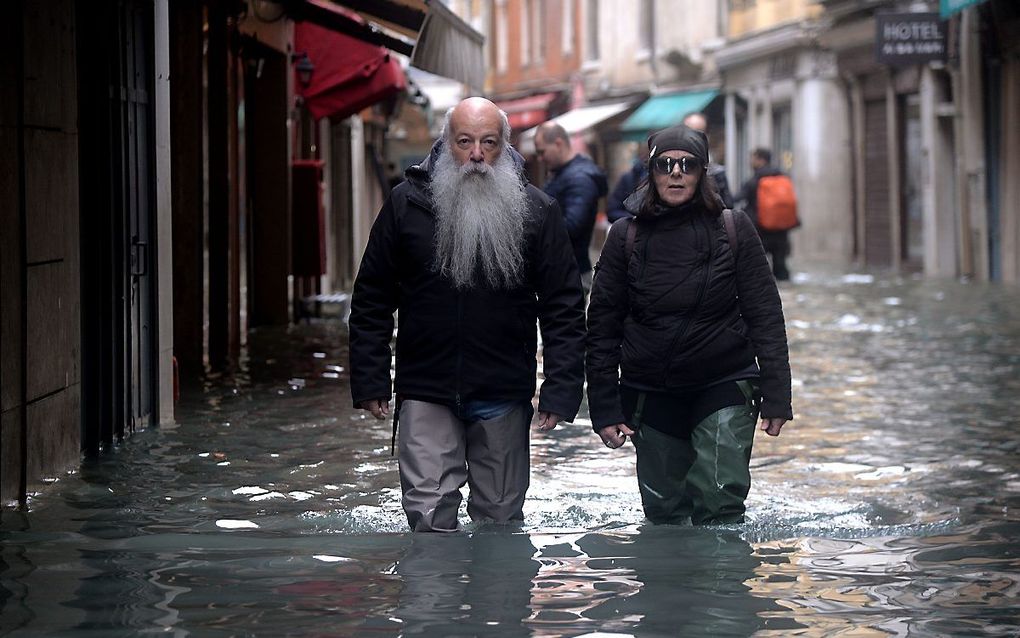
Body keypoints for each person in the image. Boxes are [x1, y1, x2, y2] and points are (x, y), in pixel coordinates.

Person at [348, 97, 586, 533]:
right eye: (464, 142)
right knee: (428, 517)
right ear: (446, 143)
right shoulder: (405, 206)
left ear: (505, 146)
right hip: (425, 387)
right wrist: (370, 378)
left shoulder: (536, 211)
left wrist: (561, 388)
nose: (476, 155)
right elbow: (372, 297)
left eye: (488, 143)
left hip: (502, 390)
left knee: (499, 521)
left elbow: (563, 308)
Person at [586, 124, 792, 526]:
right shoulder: (624, 237)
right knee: (664, 513)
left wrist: (777, 393)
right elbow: (603, 326)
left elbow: (765, 314)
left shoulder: (735, 229)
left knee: (721, 501)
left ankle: (722, 586)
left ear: (703, 173)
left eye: (687, 165)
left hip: (724, 381)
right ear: (651, 172)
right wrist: (604, 406)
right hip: (651, 389)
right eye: (665, 165)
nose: (675, 173)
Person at [533, 122, 608, 293]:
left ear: (558, 144)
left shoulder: (579, 179)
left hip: (572, 273)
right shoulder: (563, 173)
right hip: (563, 271)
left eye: (542, 151)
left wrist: (535, 229)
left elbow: (573, 225)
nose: (540, 158)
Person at [735, 148, 795, 281]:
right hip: (781, 229)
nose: (750, 161)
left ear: (760, 160)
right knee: (781, 266)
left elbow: (737, 198)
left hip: (760, 228)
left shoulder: (754, 180)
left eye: (753, 158)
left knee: (757, 266)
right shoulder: (783, 176)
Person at [682, 112, 735, 209]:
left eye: (699, 132)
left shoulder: (716, 172)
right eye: (689, 132)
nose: (693, 137)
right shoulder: (671, 169)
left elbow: (727, 207)